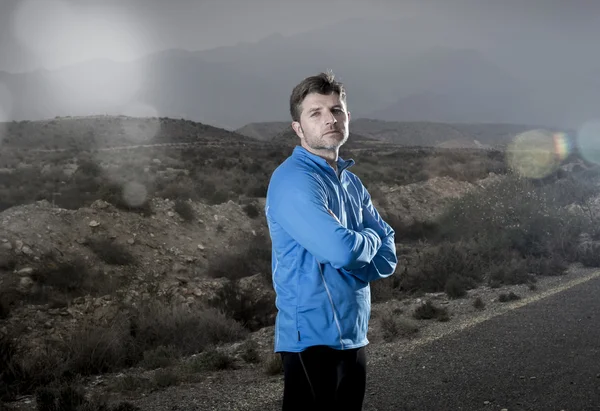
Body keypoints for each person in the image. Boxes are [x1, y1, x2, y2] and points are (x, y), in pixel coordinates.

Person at [264, 70, 398, 411]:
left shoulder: (351, 182)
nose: (329, 119)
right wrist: (365, 243)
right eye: (316, 113)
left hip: (352, 333)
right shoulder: (293, 180)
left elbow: (388, 254)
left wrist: (356, 256)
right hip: (310, 339)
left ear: (347, 118)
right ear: (298, 128)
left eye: (336, 110)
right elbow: (344, 250)